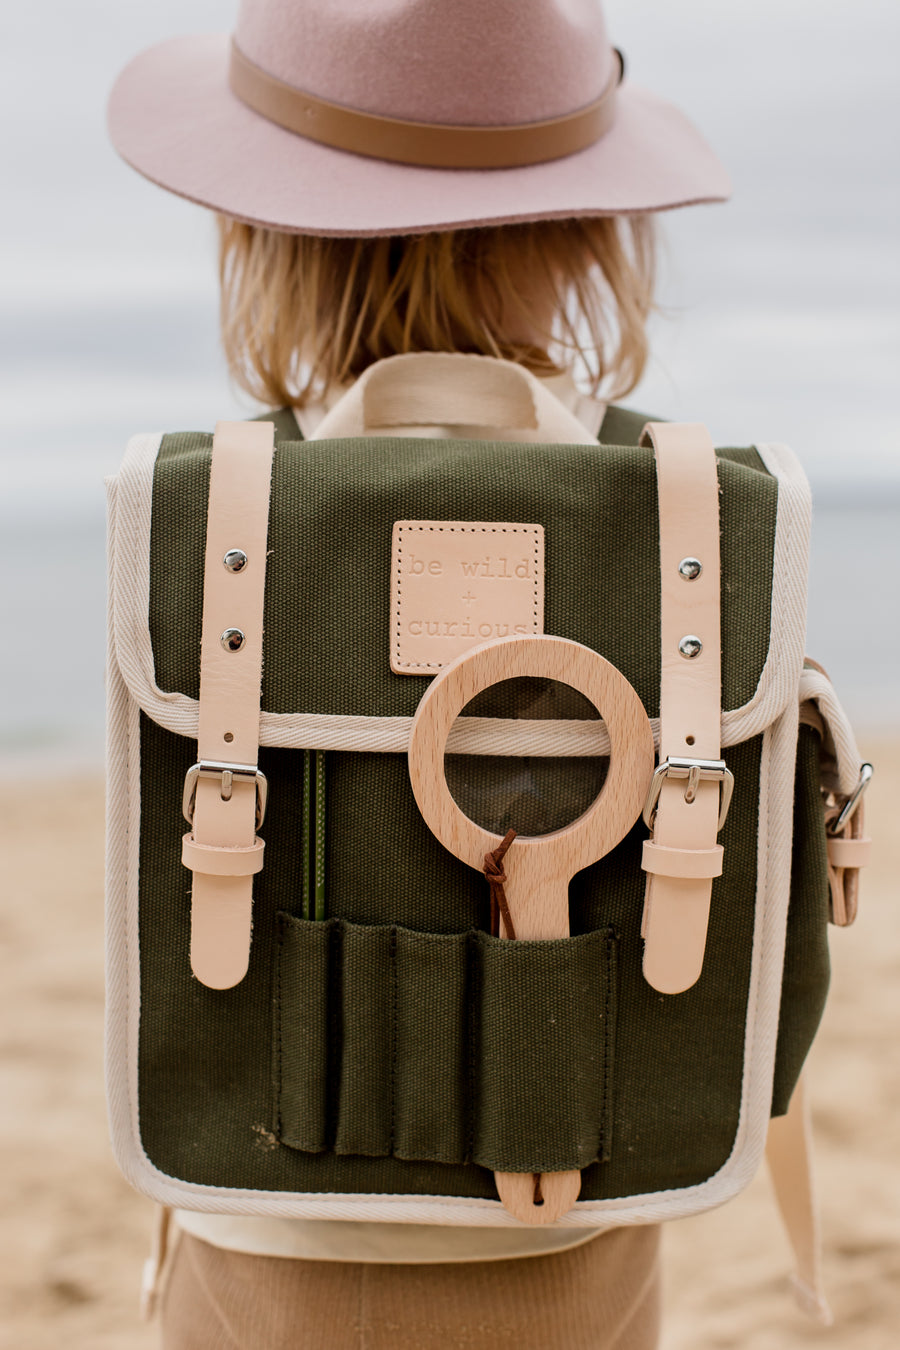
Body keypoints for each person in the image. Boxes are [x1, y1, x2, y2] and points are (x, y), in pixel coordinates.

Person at [108, 2, 732, 1346]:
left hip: (257, 1206)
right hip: (577, 1216)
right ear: (591, 239)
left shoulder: (213, 522)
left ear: (257, 241)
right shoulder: (685, 523)